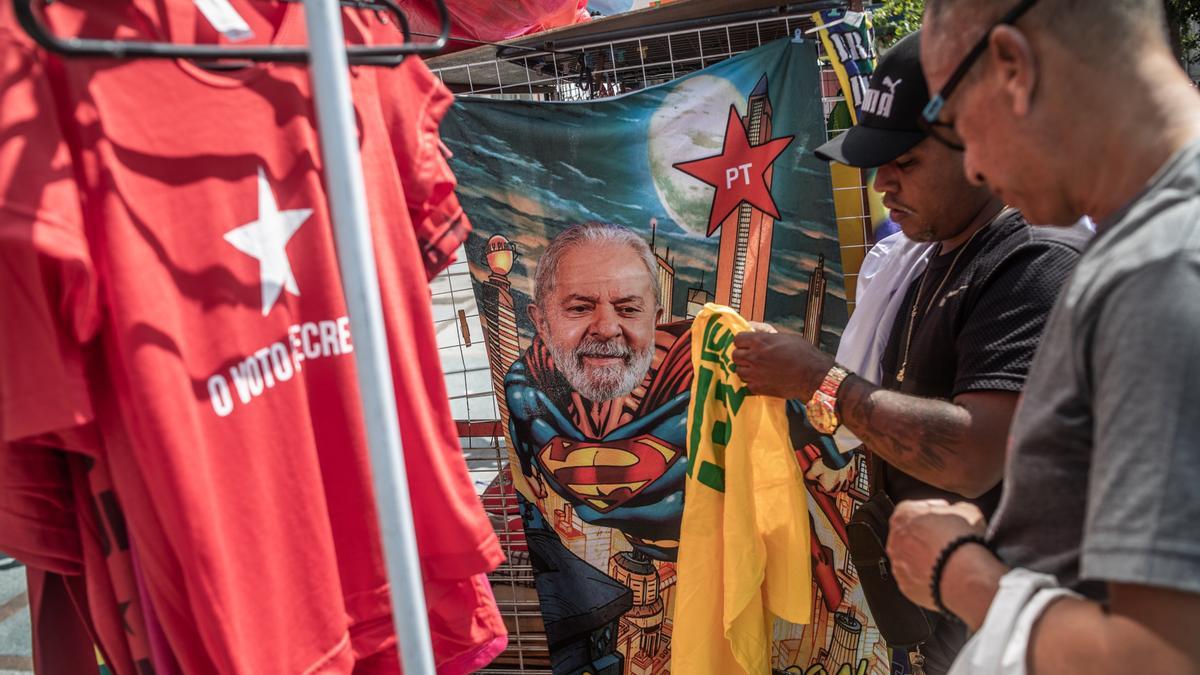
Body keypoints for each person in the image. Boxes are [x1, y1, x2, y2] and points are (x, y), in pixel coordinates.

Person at [731, 31, 1089, 674]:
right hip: (944, 628)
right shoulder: (929, 256)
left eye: (907, 161)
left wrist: (818, 379)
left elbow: (973, 454)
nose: (882, 183)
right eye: (876, 162)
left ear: (984, 147)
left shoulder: (1036, 260)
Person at [884, 0, 1200, 672]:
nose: (970, 166)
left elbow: (1156, 655)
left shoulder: (1158, 267)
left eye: (959, 121)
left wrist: (956, 570)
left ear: (1012, 67)